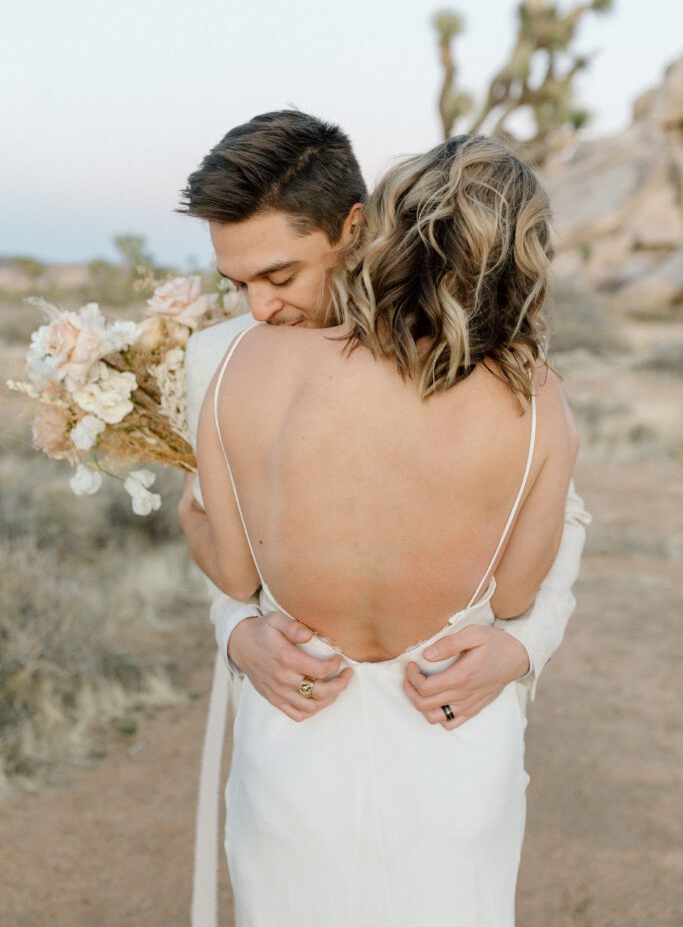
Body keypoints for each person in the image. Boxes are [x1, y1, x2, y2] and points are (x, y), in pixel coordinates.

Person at [184, 132, 584, 924]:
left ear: (358, 231)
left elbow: (230, 563)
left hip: (326, 736)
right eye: (238, 284)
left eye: (280, 276)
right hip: (428, 735)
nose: (262, 308)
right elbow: (516, 584)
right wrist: (236, 634)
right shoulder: (528, 389)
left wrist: (522, 649)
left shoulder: (243, 368)